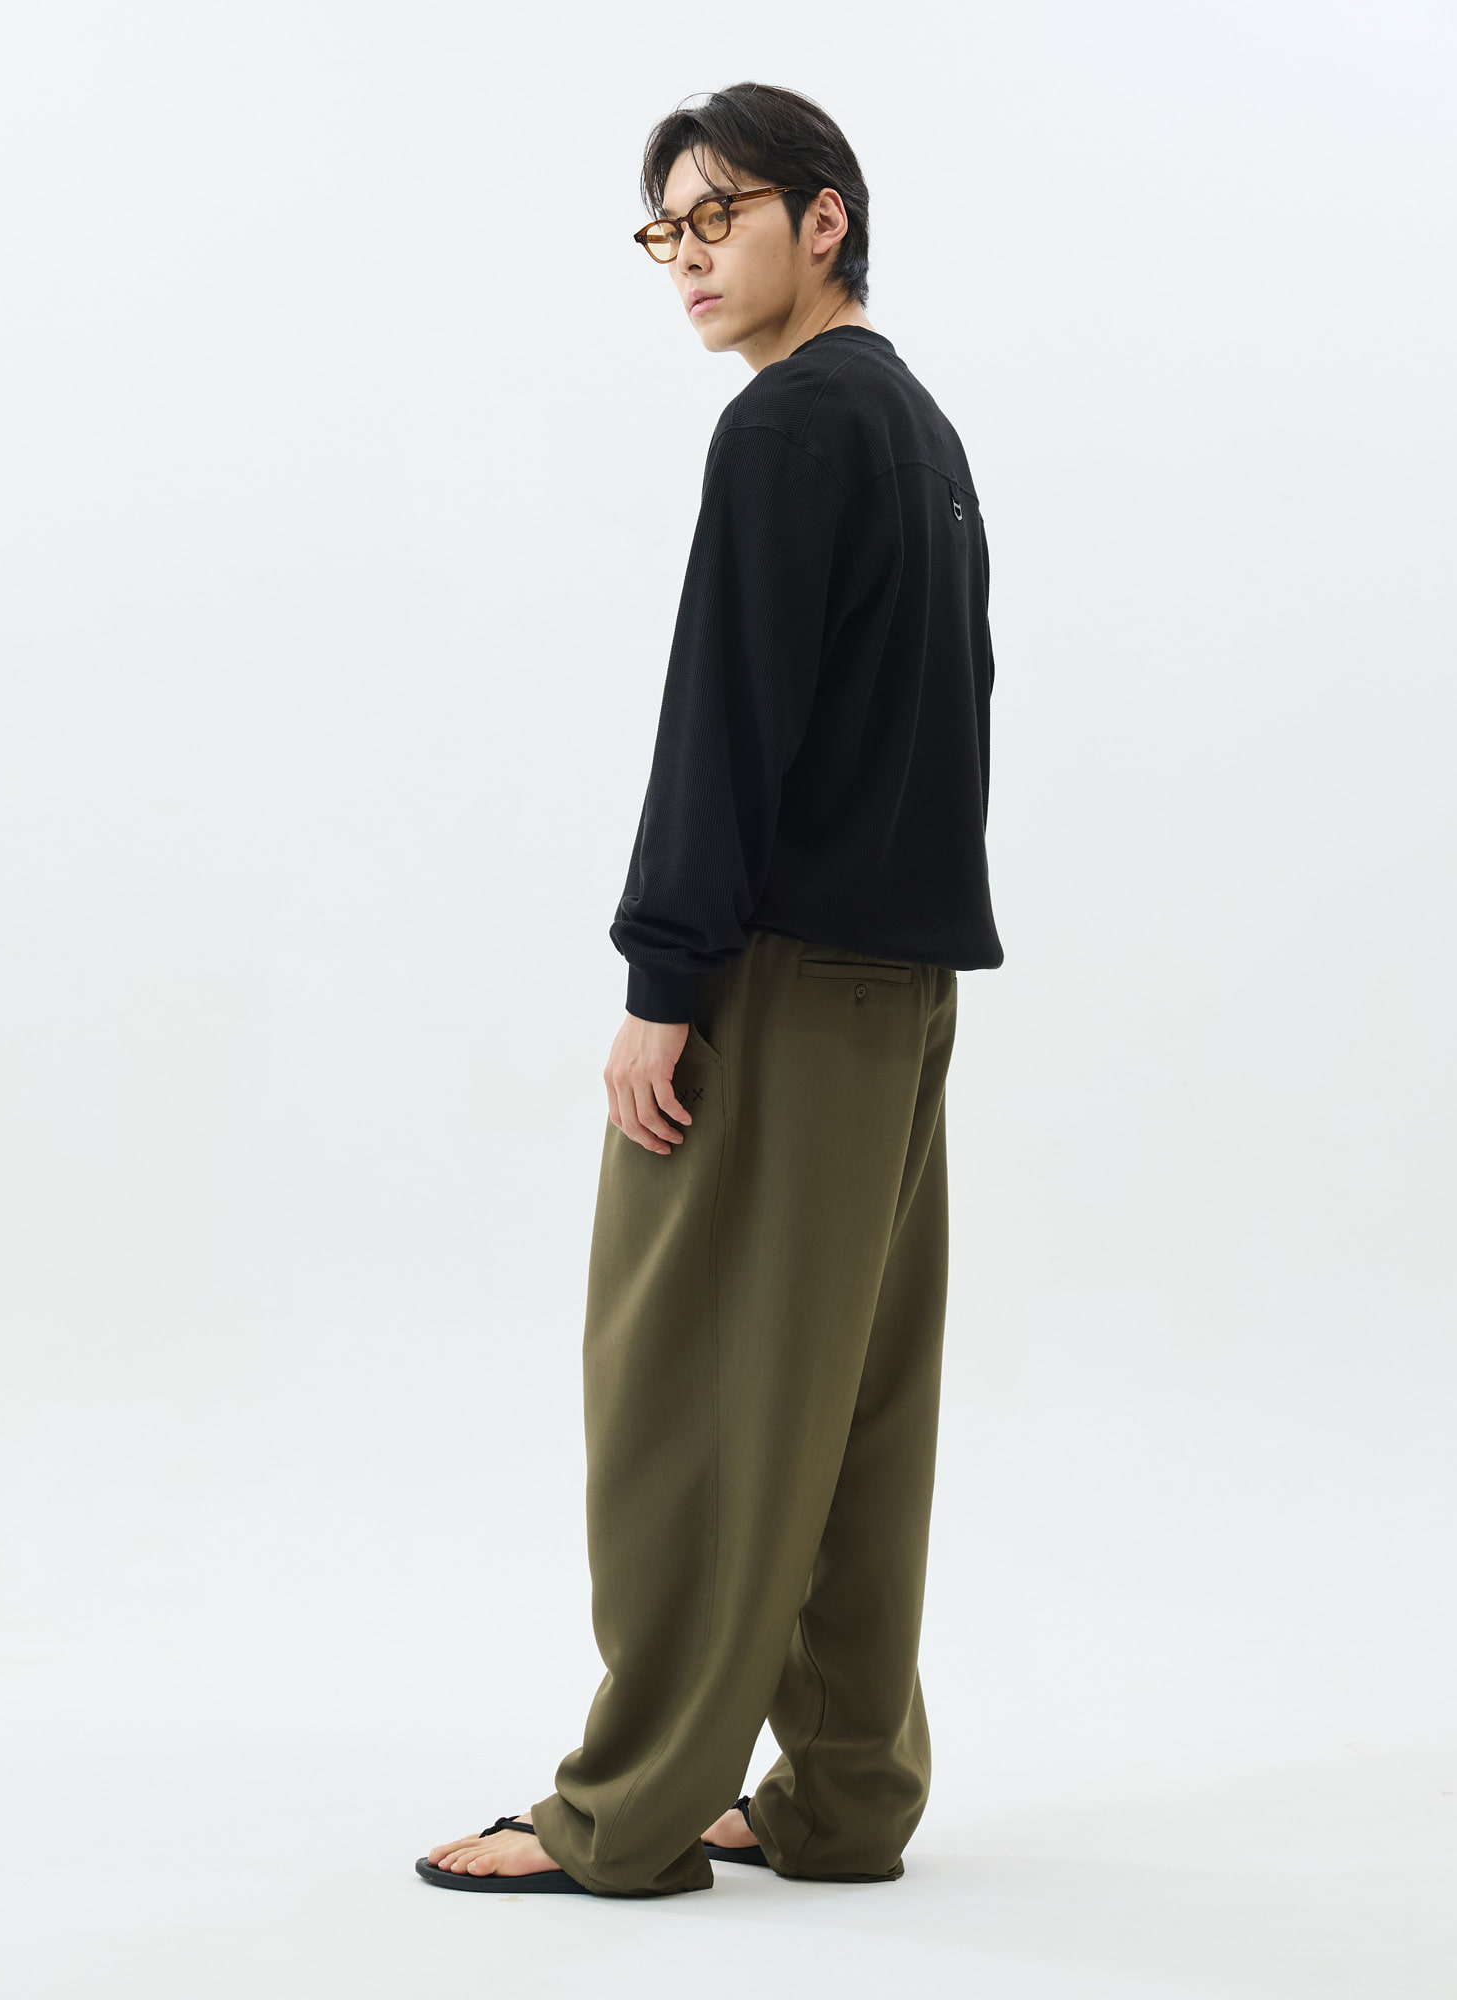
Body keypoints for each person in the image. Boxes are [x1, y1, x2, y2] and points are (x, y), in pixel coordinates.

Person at [418, 79, 1003, 1898]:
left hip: (780, 988)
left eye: (720, 215)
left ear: (825, 218)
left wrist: (665, 978)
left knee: (688, 1394)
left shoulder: (788, 426)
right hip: (899, 993)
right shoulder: (916, 427)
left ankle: (629, 1810)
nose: (686, 257)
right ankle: (842, 1795)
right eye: (665, 229)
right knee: (855, 1409)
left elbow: (727, 722)